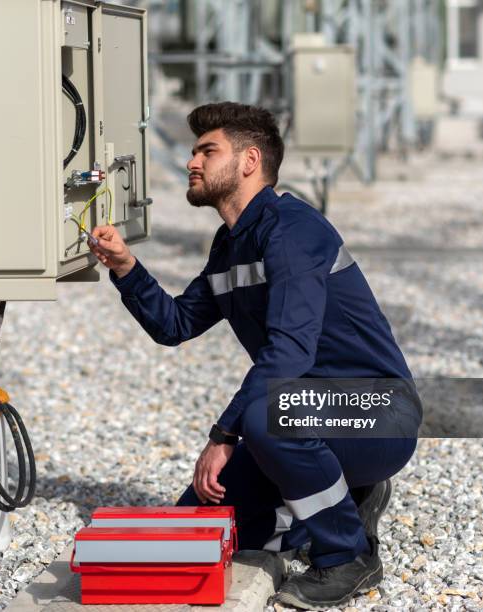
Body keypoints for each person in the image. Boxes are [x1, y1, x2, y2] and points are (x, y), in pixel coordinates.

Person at [89, 102, 422, 609]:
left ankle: (349, 558)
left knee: (266, 421)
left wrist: (224, 434)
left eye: (207, 150)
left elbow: (288, 350)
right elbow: (174, 325)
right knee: (203, 519)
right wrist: (126, 267)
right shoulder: (231, 245)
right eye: (194, 151)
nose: (191, 162)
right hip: (306, 410)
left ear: (248, 161)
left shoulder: (292, 230)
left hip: (379, 411)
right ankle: (350, 497)